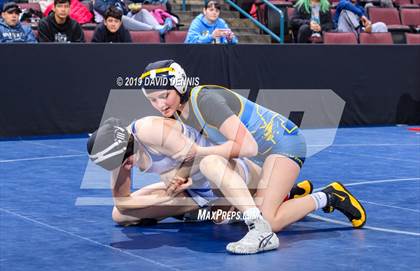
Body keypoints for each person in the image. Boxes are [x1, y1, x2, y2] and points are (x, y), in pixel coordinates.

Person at [140, 59, 367, 254]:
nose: (160, 104)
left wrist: (200, 153)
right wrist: (183, 175)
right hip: (258, 158)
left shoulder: (205, 100)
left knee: (269, 221)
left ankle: (330, 196)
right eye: (153, 100)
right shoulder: (180, 112)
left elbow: (246, 147)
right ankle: (289, 192)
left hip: (282, 146)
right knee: (223, 209)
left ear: (179, 86)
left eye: (164, 95)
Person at [87, 116, 313, 252]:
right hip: (192, 191)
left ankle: (259, 220)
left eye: (125, 160)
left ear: (127, 143)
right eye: (119, 165)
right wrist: (168, 197)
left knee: (209, 167)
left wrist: (178, 181)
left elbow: (194, 155)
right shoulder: (117, 154)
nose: (126, 167)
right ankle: (277, 195)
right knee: (120, 215)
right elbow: (122, 202)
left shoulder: (149, 130)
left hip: (221, 173)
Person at [93, 0, 173, 34]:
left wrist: (132, 12)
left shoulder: (119, 2)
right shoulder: (98, 2)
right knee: (120, 18)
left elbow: (127, 15)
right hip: (109, 25)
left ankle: (158, 27)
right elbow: (111, 14)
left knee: (143, 11)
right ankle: (154, 28)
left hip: (124, 23)